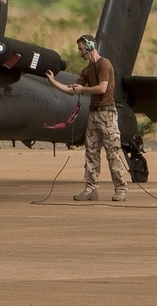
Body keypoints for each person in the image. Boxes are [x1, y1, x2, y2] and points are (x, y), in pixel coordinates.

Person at [47, 34, 129, 202]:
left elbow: (102, 88)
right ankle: (91, 189)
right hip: (94, 114)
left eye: (81, 49)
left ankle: (121, 188)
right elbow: (72, 90)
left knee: (112, 152)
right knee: (91, 152)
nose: (80, 52)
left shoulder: (104, 64)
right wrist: (53, 81)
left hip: (107, 114)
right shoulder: (87, 70)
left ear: (90, 46)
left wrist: (82, 90)